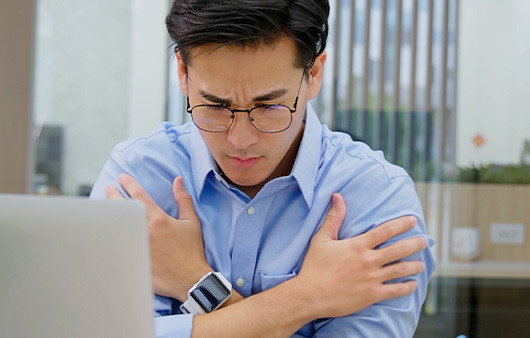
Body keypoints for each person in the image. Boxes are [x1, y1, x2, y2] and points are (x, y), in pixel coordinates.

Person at [90, 0, 436, 336]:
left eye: (269, 106)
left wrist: (191, 279)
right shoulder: (137, 178)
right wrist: (308, 297)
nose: (240, 139)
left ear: (313, 74)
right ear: (182, 72)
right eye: (215, 105)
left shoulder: (376, 197)